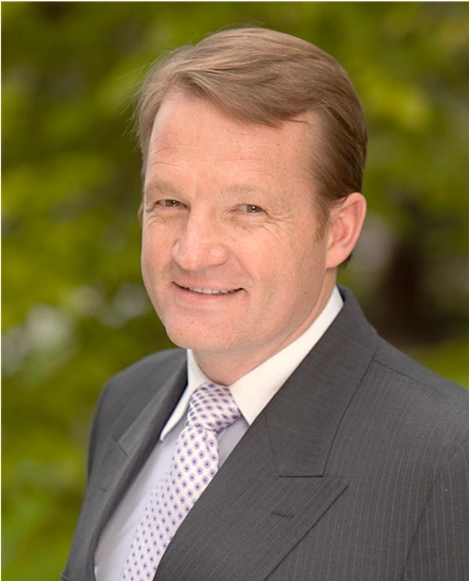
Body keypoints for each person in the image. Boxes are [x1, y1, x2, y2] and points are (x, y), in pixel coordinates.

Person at [63, 27, 468, 581]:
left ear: (339, 230)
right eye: (170, 201)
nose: (191, 252)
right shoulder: (127, 400)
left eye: (248, 209)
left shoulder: (445, 457)